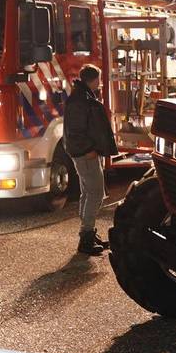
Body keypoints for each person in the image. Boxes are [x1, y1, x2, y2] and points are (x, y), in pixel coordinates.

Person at [63, 64, 118, 256]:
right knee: (95, 193)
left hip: (86, 152)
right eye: (99, 79)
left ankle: (88, 233)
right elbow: (76, 131)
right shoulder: (81, 100)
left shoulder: (82, 96)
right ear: (94, 79)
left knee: (88, 192)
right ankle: (86, 237)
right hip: (86, 153)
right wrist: (88, 150)